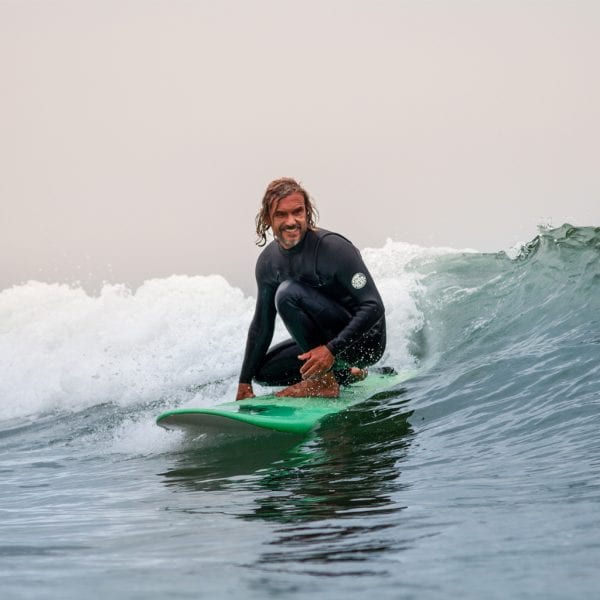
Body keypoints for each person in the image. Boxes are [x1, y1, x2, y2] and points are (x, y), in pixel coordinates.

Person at [236, 177, 386, 400]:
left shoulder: (334, 249)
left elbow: (373, 306)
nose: (291, 221)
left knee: (287, 293)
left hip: (364, 343)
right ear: (268, 218)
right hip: (329, 346)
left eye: (298, 212)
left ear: (307, 212)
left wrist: (331, 350)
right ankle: (344, 374)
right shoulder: (268, 263)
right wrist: (244, 382)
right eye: (281, 214)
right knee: (264, 373)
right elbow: (262, 325)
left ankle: (324, 382)